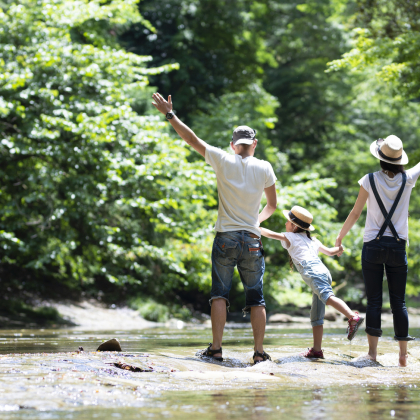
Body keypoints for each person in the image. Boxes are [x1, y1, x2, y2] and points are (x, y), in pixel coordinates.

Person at [151, 93, 278, 364]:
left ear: (233, 145)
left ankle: (217, 349)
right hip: (252, 239)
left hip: (225, 237)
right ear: (254, 144)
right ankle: (258, 353)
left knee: (219, 293)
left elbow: (191, 139)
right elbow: (273, 206)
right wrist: (256, 222)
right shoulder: (265, 167)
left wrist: (170, 114)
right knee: (256, 297)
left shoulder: (222, 159)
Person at [336, 135, 420, 367]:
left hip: (372, 244)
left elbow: (355, 213)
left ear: (380, 158)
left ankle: (372, 354)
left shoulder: (369, 180)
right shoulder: (409, 178)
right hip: (397, 245)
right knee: (399, 303)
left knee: (374, 301)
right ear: (400, 159)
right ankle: (402, 356)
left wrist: (340, 237)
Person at [260, 205, 364, 359]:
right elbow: (329, 251)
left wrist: (255, 226)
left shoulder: (291, 237)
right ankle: (317, 349)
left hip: (312, 272)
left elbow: (270, 234)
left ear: (294, 226)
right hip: (323, 271)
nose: (285, 224)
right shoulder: (312, 240)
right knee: (317, 315)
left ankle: (352, 317)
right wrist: (339, 249)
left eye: (287, 222)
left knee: (327, 296)